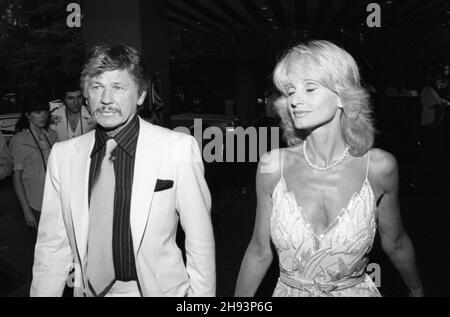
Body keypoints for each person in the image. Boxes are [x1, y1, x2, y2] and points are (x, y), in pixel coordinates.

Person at [235, 40, 424, 297]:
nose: (295, 100)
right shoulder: (272, 165)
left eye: (310, 88)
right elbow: (258, 250)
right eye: (290, 91)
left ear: (342, 97)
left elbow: (397, 242)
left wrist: (417, 290)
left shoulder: (379, 167)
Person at [30, 43, 215, 297]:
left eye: (118, 87)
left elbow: (200, 241)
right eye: (96, 87)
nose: (106, 99)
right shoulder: (63, 156)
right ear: (86, 94)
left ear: (140, 94)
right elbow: (52, 246)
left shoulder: (177, 148)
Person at [9, 95, 57, 239]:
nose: (43, 116)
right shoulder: (19, 140)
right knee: (42, 248)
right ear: (28, 115)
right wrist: (26, 209)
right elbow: (16, 177)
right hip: (34, 203)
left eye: (45, 112)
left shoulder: (52, 135)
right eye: (37, 112)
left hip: (55, 201)